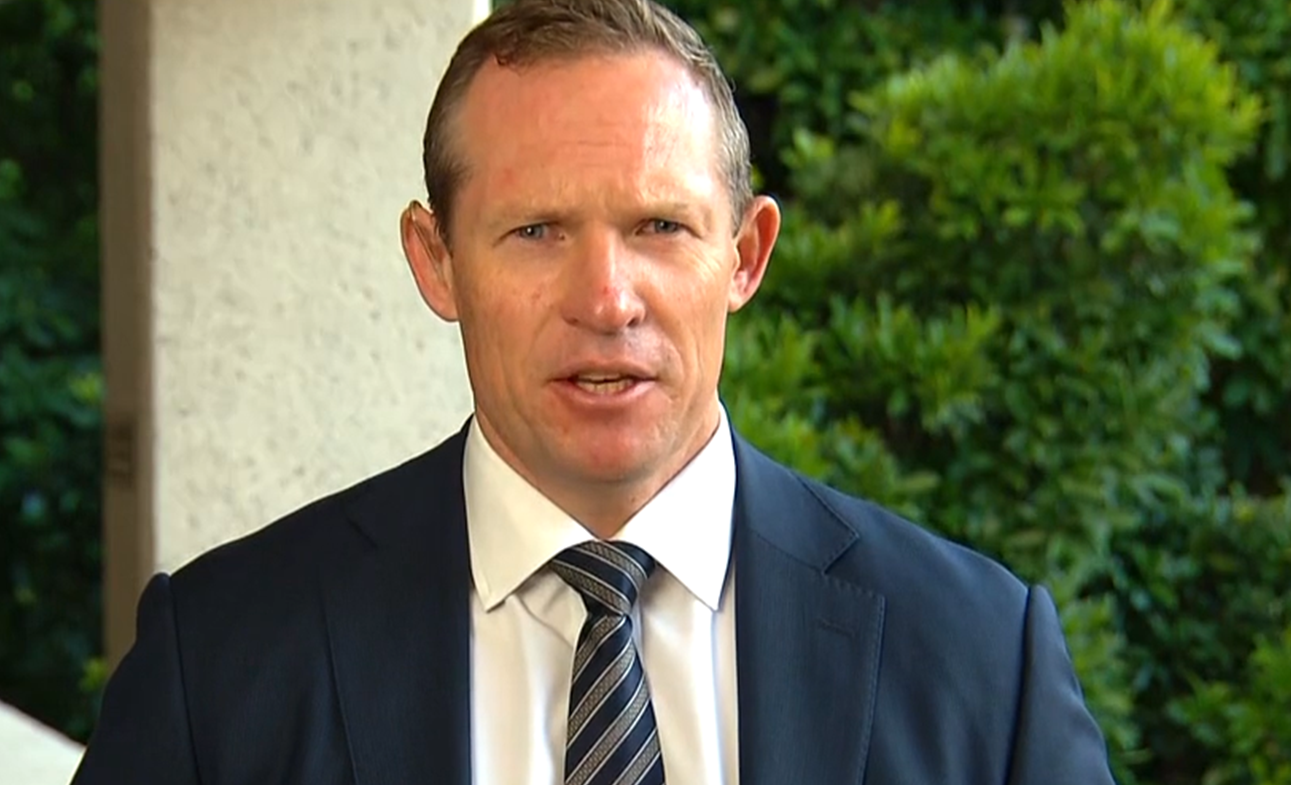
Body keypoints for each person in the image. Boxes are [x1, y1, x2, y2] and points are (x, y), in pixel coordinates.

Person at [71, 0, 1117, 783]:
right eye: (536, 231)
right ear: (437, 261)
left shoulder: (983, 657)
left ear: (746, 254)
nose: (607, 299)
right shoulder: (220, 659)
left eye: (660, 226)